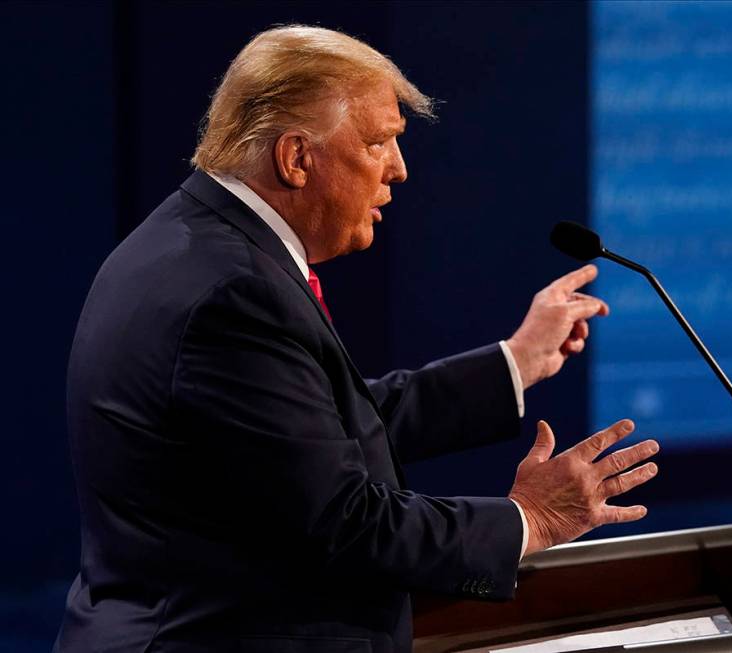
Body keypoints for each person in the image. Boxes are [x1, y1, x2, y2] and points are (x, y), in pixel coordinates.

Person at [54, 25, 660, 653]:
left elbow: (311, 435)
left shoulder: (188, 241)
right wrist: (529, 519)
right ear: (296, 158)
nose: (398, 170)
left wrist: (517, 362)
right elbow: (343, 521)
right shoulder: (232, 293)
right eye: (378, 143)